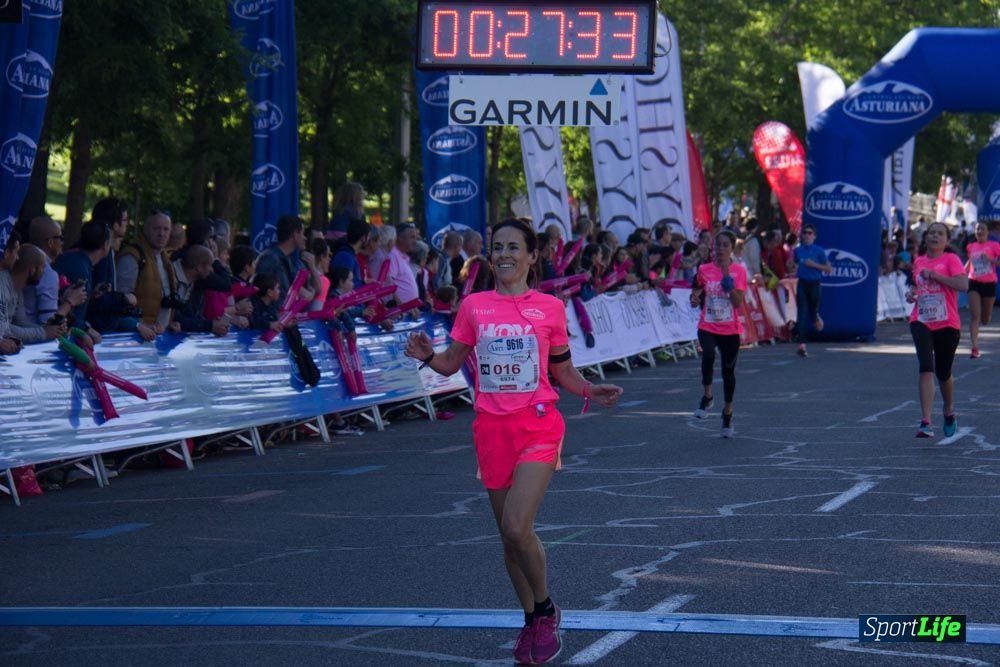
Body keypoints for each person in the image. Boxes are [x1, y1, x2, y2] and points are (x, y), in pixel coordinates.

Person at [404, 218, 623, 665]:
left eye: (512, 247)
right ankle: (530, 619)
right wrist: (428, 355)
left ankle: (545, 610)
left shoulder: (549, 308)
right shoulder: (474, 306)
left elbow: (561, 370)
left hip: (538, 424)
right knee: (509, 539)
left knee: (517, 526)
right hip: (491, 429)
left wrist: (587, 389)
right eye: (497, 247)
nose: (503, 254)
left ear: (531, 256)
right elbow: (450, 363)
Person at [905, 222, 968, 438]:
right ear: (926, 238)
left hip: (947, 322)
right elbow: (917, 287)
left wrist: (935, 276)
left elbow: (963, 285)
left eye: (940, 233)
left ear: (946, 240)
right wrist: (910, 294)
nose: (935, 236)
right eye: (931, 232)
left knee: (943, 373)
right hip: (921, 319)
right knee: (925, 366)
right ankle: (926, 422)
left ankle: (948, 410)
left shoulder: (951, 260)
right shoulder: (919, 261)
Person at [690, 230, 747, 438]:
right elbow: (696, 290)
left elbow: (738, 302)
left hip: (730, 329)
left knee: (727, 371)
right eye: (718, 245)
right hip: (708, 324)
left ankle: (728, 411)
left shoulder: (739, 271)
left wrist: (726, 278)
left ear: (732, 248)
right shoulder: (704, 269)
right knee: (707, 355)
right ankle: (707, 397)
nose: (720, 249)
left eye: (725, 245)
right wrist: (694, 299)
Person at [116, 211, 177, 330]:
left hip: (159, 335)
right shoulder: (132, 256)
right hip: (135, 336)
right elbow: (120, 300)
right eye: (156, 228)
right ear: (145, 230)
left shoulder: (165, 259)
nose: (161, 234)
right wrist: (139, 324)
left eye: (166, 229)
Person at [788, 224, 832, 358]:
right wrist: (790, 265)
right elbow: (793, 264)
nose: (806, 235)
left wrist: (815, 265)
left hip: (815, 284)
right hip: (802, 283)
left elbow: (828, 269)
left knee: (812, 312)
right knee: (801, 314)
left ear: (814, 236)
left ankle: (815, 316)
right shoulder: (798, 250)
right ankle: (802, 346)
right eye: (804, 233)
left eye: (809, 233)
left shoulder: (819, 251)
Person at [964, 221, 1000, 358]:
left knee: (985, 319)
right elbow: (970, 262)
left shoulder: (994, 246)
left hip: (989, 284)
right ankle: (974, 347)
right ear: (975, 231)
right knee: (975, 316)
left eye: (982, 229)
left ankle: (985, 319)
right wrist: (962, 271)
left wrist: (991, 260)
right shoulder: (971, 246)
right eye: (977, 229)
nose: (979, 231)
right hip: (974, 282)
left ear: (987, 232)